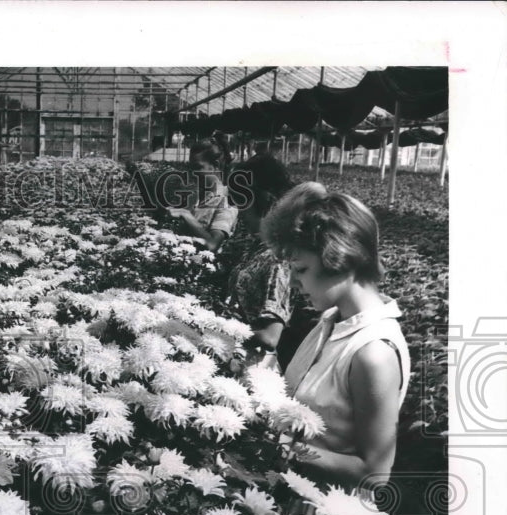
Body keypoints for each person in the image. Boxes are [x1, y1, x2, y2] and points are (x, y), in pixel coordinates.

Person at [261, 182, 410, 491]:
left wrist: (278, 444)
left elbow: (375, 473)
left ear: (340, 257)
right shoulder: (330, 321)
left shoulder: (373, 353)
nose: (291, 282)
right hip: (292, 493)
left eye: (300, 269)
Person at [222, 153, 318, 364]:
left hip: (264, 369)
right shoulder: (258, 244)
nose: (238, 212)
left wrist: (218, 331)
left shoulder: (279, 258)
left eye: (241, 203)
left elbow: (270, 336)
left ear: (263, 200)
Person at [164, 133, 237, 252]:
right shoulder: (196, 195)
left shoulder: (228, 200)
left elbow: (213, 244)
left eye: (197, 167)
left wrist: (186, 215)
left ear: (215, 166)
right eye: (190, 167)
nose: (192, 172)